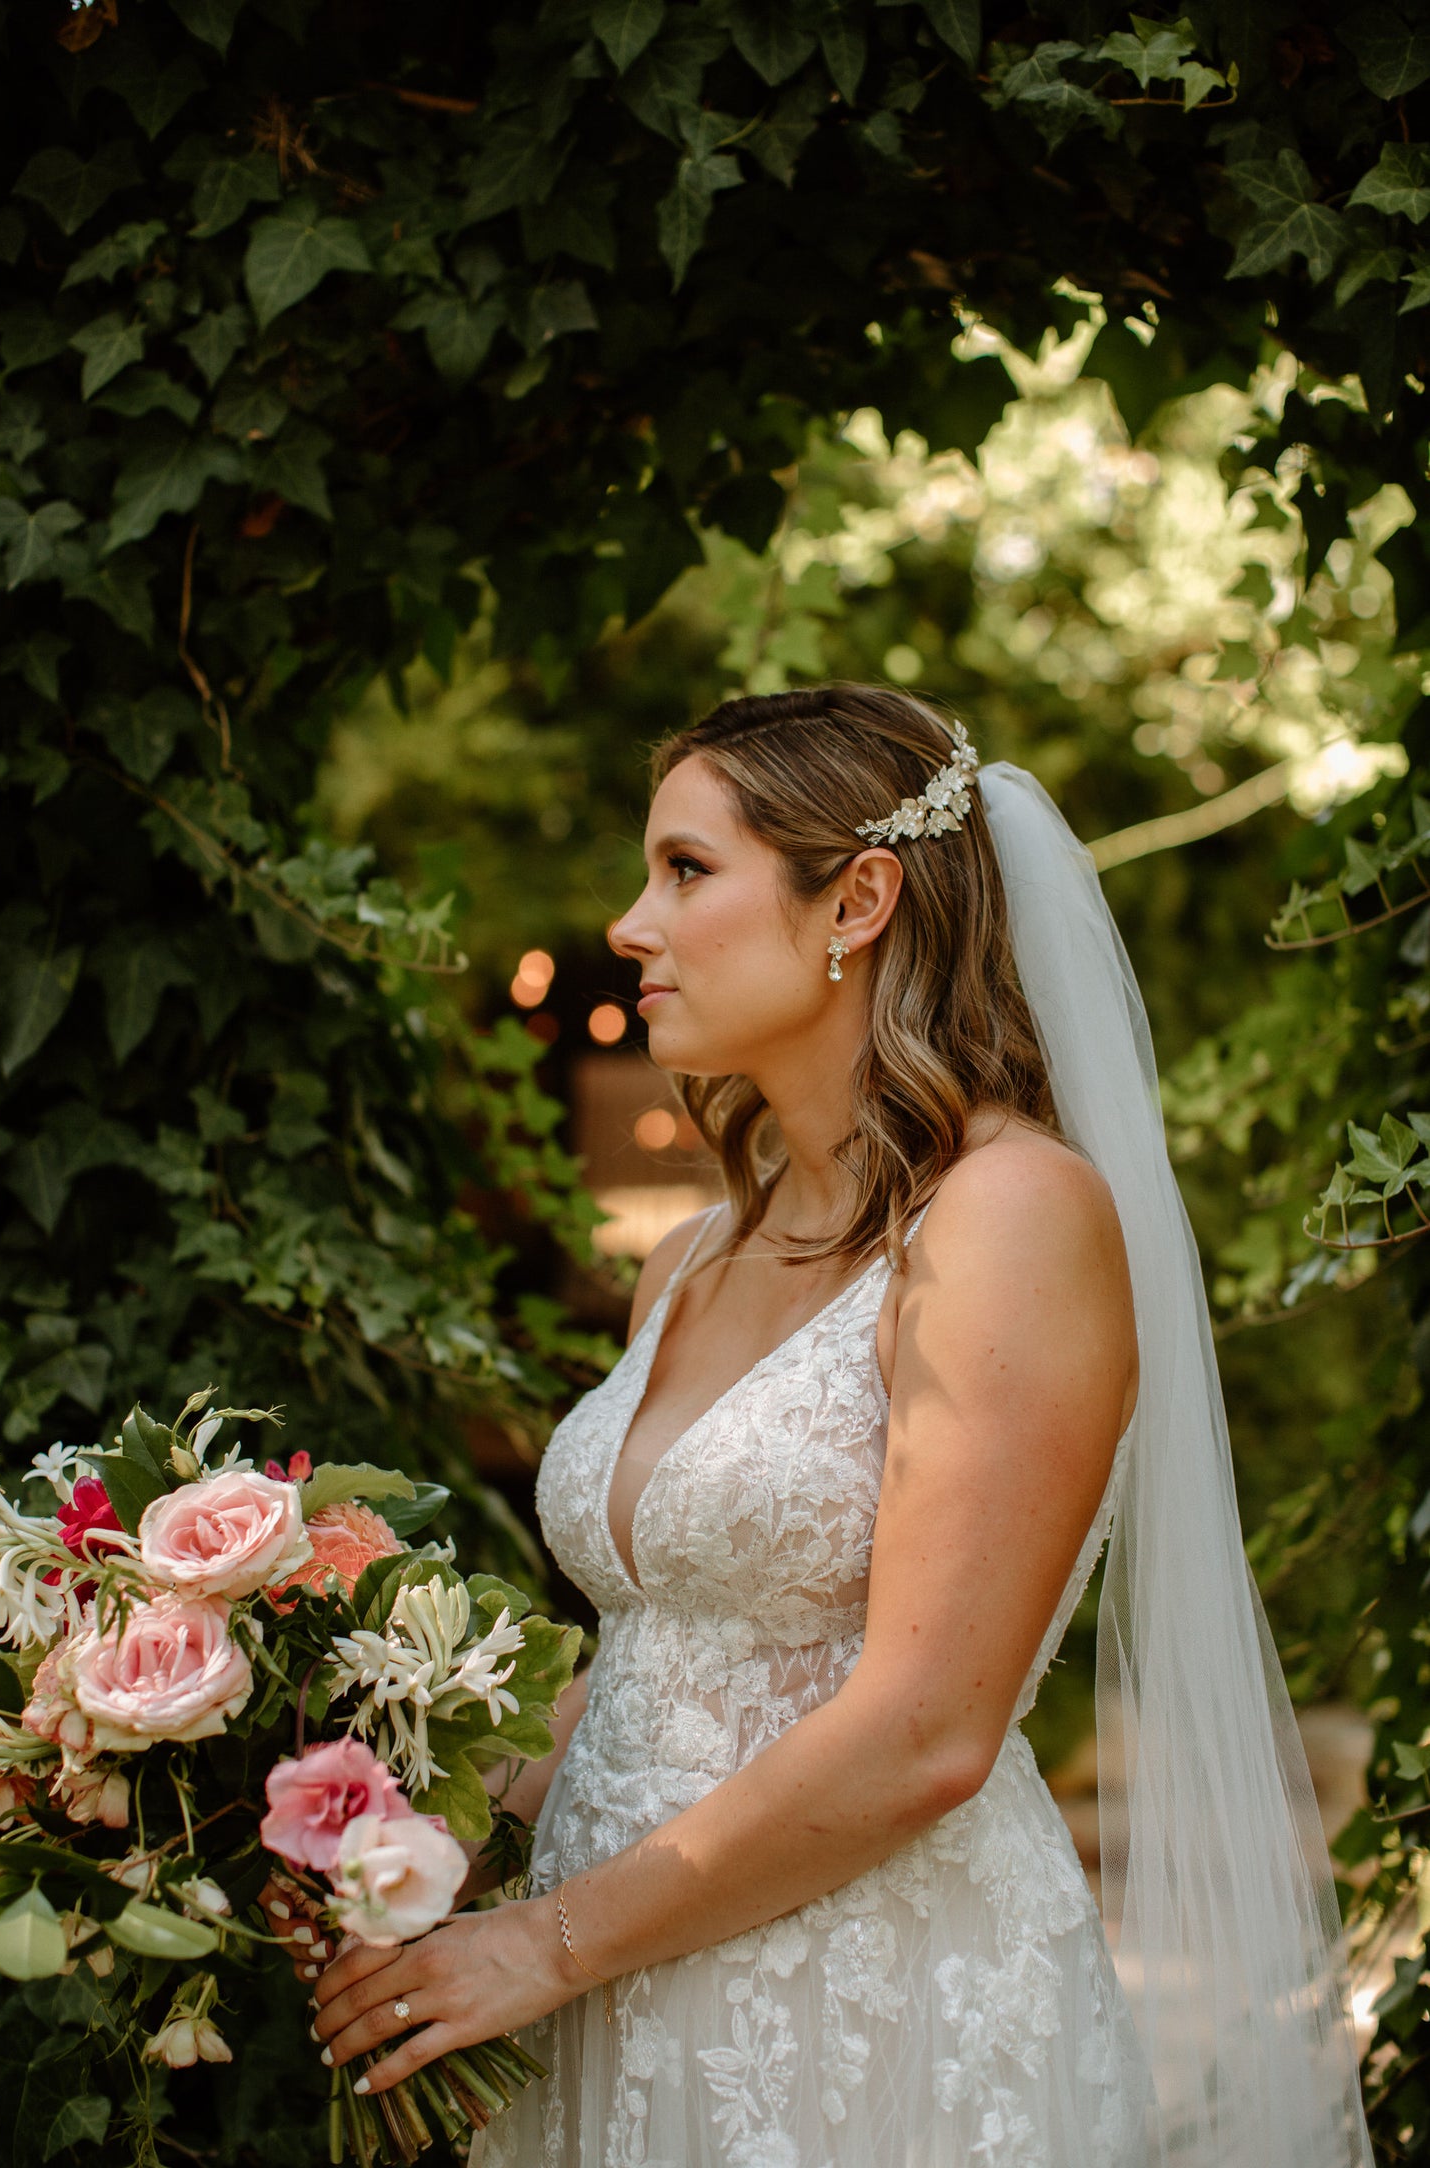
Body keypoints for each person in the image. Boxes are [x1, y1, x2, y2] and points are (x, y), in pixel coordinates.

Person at [303, 686, 1371, 2167]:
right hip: (612, 1988)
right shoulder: (686, 1263)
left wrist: (546, 1945)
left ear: (857, 898)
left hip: (863, 2010)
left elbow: (927, 1729)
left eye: (685, 869)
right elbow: (650, 1672)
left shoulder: (1008, 1217)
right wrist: (383, 1799)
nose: (630, 922)